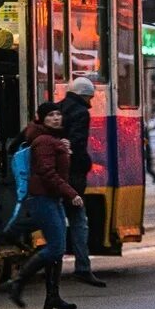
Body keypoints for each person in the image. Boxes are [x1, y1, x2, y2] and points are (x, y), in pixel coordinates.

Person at [4, 102, 81, 309]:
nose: (56, 118)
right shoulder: (44, 141)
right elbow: (47, 173)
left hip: (51, 198)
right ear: (42, 118)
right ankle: (17, 283)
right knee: (56, 247)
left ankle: (53, 297)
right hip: (43, 198)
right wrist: (71, 193)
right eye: (51, 115)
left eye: (58, 114)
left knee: (57, 248)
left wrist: (64, 150)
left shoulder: (52, 140)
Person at [56, 76, 106, 288]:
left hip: (54, 174)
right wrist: (83, 163)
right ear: (83, 96)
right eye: (89, 98)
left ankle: (51, 268)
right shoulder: (80, 113)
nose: (91, 103)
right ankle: (83, 268)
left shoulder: (56, 109)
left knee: (55, 219)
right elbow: (77, 142)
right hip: (73, 175)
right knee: (79, 221)